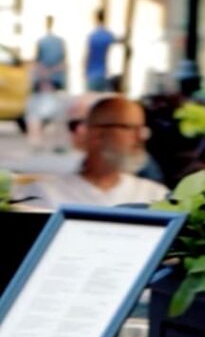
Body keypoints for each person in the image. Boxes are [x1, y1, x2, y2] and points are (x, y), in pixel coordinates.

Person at [24, 95, 167, 207]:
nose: (140, 137)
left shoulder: (156, 196)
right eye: (130, 128)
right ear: (97, 133)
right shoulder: (43, 195)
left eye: (141, 129)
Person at [26, 15, 68, 150]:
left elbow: (38, 62)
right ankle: (59, 143)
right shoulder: (60, 42)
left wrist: (44, 77)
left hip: (43, 80)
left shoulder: (41, 41)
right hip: (56, 80)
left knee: (35, 113)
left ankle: (36, 142)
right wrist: (53, 74)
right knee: (59, 113)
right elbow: (63, 62)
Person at [84, 9, 118, 92]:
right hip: (103, 74)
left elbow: (88, 54)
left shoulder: (92, 36)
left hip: (91, 74)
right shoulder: (108, 35)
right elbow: (119, 40)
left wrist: (84, 70)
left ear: (96, 18)